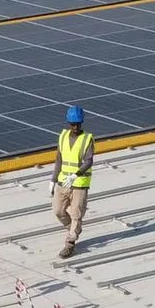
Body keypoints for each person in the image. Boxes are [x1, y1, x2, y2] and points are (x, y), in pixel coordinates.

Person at [52, 105, 92, 260]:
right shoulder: (63, 137)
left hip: (79, 182)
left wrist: (75, 176)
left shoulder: (87, 139)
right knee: (58, 210)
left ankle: (70, 243)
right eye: (73, 124)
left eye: (78, 124)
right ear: (68, 123)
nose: (75, 127)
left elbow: (89, 161)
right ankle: (73, 230)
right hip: (63, 182)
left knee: (76, 213)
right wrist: (53, 179)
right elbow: (59, 159)